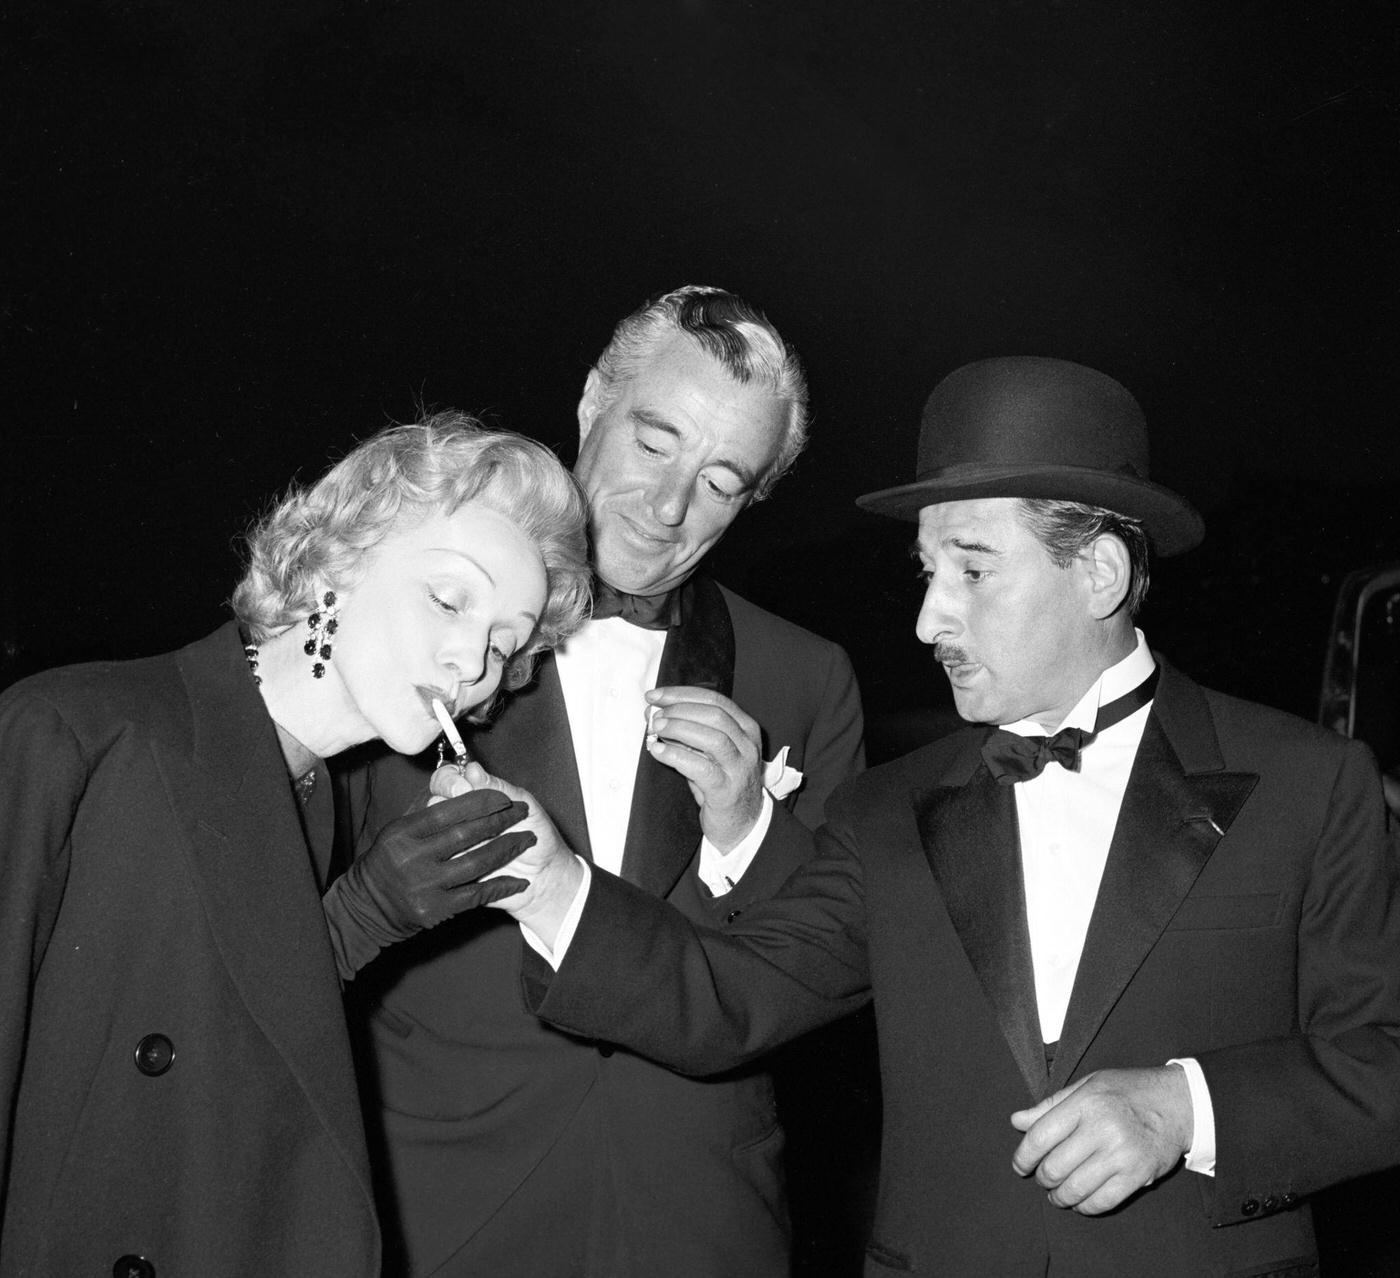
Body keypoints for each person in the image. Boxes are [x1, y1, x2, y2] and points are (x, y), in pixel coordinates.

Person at [475, 356, 1400, 1277]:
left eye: (973, 570)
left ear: (1101, 573)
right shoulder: (888, 811)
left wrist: (1185, 1109)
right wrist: (554, 889)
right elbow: (730, 997)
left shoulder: (1309, 785)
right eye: (926, 572)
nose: (928, 620)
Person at [336, 285, 865, 1277]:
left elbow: (828, 964)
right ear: (589, 403)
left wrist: (749, 828)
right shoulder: (416, 625)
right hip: (441, 1213)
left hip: (703, 1222)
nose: (668, 507)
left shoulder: (805, 675)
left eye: (719, 481)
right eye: (654, 442)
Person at [0, 413, 590, 1277]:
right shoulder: (75, 735)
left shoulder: (312, 800)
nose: (472, 660)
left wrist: (360, 921)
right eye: (448, 597)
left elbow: (222, 1089)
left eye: (506, 643)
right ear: (337, 562)